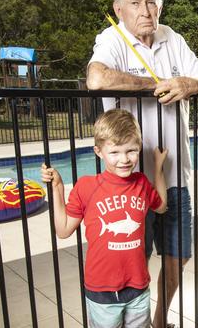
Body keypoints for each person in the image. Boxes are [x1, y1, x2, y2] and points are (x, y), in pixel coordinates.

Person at [86, 0, 198, 328]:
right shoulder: (111, 39)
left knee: (178, 260)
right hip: (131, 186)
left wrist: (187, 83)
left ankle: (160, 321)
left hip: (175, 177)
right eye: (135, 3)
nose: (146, 11)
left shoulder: (171, 38)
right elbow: (97, 78)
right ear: (118, 9)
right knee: (136, 261)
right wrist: (155, 85)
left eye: (152, 2)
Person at [41, 108, 168, 328]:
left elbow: (162, 207)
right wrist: (58, 189)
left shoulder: (142, 184)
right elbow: (63, 231)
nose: (124, 159)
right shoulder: (86, 187)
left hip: (138, 287)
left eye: (131, 151)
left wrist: (158, 167)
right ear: (98, 152)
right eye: (115, 152)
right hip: (102, 291)